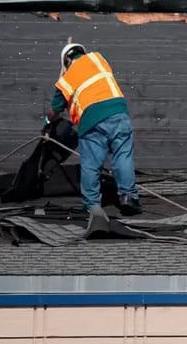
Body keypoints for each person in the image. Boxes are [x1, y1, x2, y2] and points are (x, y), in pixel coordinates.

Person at [48, 42, 141, 217]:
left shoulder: (65, 81)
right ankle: (128, 198)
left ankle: (92, 206)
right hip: (119, 112)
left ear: (67, 59)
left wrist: (47, 121)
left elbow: (54, 111)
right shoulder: (99, 59)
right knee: (123, 157)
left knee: (91, 164)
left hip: (92, 121)